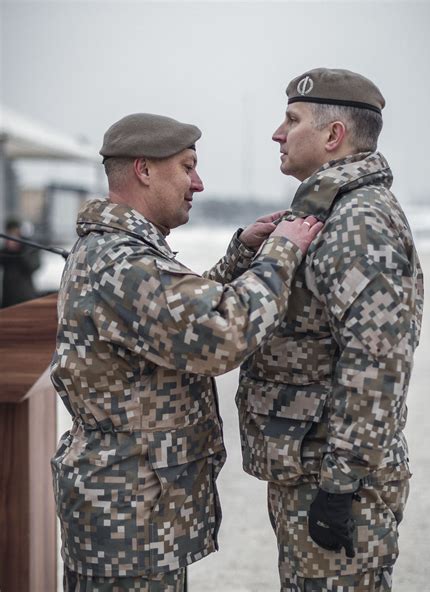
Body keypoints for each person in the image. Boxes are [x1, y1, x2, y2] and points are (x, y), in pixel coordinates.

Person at [50, 112, 322, 591]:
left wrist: (242, 257)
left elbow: (174, 323)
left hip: (132, 509)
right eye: (187, 166)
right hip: (127, 516)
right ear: (144, 170)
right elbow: (218, 335)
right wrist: (282, 253)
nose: (198, 183)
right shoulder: (123, 260)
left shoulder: (122, 251)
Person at [236, 68, 424, 591]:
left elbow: (377, 361)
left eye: (291, 120)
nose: (277, 133)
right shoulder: (330, 211)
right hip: (312, 466)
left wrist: (340, 486)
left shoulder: (357, 221)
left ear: (333, 136)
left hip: (334, 477)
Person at [0, 218, 40, 307]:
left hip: (26, 296)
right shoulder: (4, 250)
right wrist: (8, 250)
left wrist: (20, 249)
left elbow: (33, 266)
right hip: (8, 298)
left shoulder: (29, 248)